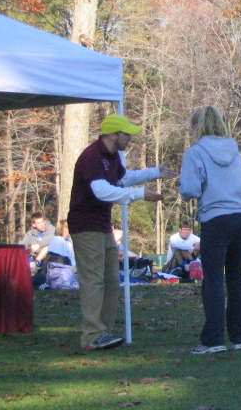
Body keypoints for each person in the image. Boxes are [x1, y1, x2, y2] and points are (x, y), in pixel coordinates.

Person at [68, 114, 177, 351]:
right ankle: (91, 335)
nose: (129, 138)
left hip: (102, 225)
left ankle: (102, 333)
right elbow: (102, 191)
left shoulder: (112, 157)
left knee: (111, 281)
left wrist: (155, 172)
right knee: (93, 281)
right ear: (112, 135)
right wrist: (138, 195)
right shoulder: (92, 156)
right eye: (126, 134)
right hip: (85, 226)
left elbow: (124, 179)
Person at [180, 106, 241, 354]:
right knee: (236, 280)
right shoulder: (235, 152)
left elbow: (189, 189)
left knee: (213, 279)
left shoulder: (195, 152)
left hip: (215, 218)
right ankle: (239, 336)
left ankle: (213, 339)